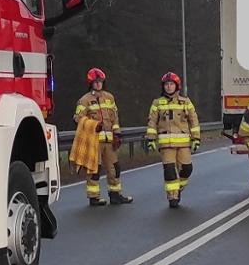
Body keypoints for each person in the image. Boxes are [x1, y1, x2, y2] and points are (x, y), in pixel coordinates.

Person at [73, 68, 132, 206]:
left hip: (109, 141)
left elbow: (115, 117)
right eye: (96, 82)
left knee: (115, 168)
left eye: (100, 82)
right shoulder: (84, 100)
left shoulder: (109, 97)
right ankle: (94, 197)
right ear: (91, 83)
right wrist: (93, 125)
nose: (98, 84)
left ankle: (115, 195)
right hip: (94, 140)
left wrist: (117, 133)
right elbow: (78, 118)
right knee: (94, 169)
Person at [146, 72, 201, 208]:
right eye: (166, 84)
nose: (169, 87)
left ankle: (178, 187)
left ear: (177, 86)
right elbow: (152, 122)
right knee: (169, 171)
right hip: (166, 144)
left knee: (187, 169)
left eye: (171, 84)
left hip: (183, 143)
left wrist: (196, 139)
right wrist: (151, 139)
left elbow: (194, 121)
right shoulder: (157, 103)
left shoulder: (185, 102)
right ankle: (172, 196)